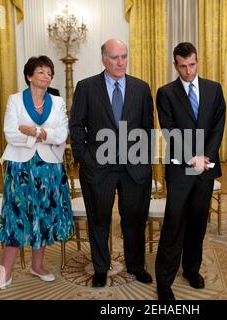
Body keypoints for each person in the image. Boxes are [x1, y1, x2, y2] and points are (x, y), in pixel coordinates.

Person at [0, 56, 74, 295]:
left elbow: (62, 134)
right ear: (30, 76)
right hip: (21, 168)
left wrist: (33, 131)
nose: (46, 76)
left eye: (49, 73)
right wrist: (44, 134)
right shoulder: (15, 100)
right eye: (41, 72)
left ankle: (37, 266)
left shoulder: (58, 101)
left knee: (43, 215)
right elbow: (11, 134)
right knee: (17, 217)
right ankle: (6, 274)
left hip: (49, 168)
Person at [69, 39, 154, 287]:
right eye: (115, 57)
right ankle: (100, 268)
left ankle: (136, 266)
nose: (120, 62)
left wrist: (144, 159)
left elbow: (148, 128)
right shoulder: (86, 87)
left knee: (134, 219)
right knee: (99, 220)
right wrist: (83, 157)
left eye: (124, 57)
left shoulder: (141, 87)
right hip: (98, 168)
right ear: (104, 58)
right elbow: (76, 125)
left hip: (134, 169)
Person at [155, 42, 226, 300]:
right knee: (174, 224)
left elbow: (218, 125)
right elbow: (169, 130)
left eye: (192, 65)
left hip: (205, 168)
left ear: (198, 61)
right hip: (180, 169)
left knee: (198, 222)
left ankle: (191, 270)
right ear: (175, 65)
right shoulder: (166, 93)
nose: (188, 71)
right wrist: (190, 157)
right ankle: (164, 281)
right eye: (183, 66)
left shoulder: (214, 89)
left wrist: (204, 156)